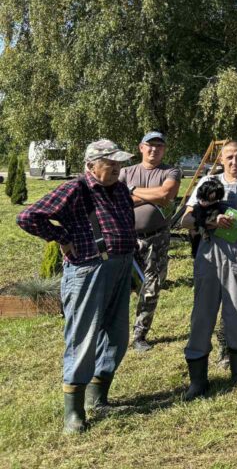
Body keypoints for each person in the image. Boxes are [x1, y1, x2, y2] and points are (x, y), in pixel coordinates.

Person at [18, 140, 136, 433]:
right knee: (82, 340)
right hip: (88, 270)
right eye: (112, 164)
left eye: (119, 164)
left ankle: (99, 398)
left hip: (121, 266)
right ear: (91, 165)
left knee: (118, 337)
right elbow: (28, 217)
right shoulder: (75, 189)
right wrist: (61, 237)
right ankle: (74, 412)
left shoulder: (119, 188)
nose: (118, 169)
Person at [181, 140, 237, 398]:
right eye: (229, 157)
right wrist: (208, 219)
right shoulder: (206, 182)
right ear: (220, 159)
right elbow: (185, 220)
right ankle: (198, 380)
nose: (234, 162)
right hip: (207, 255)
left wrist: (206, 219)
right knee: (202, 314)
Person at [119, 131, 181, 353]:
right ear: (141, 148)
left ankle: (139, 335)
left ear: (164, 149)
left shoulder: (171, 171)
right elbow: (118, 200)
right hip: (127, 239)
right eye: (150, 145)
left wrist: (132, 191)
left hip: (157, 239)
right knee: (121, 287)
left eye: (159, 146)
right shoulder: (126, 171)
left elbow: (166, 195)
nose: (154, 149)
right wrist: (149, 194)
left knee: (151, 287)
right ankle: (116, 333)